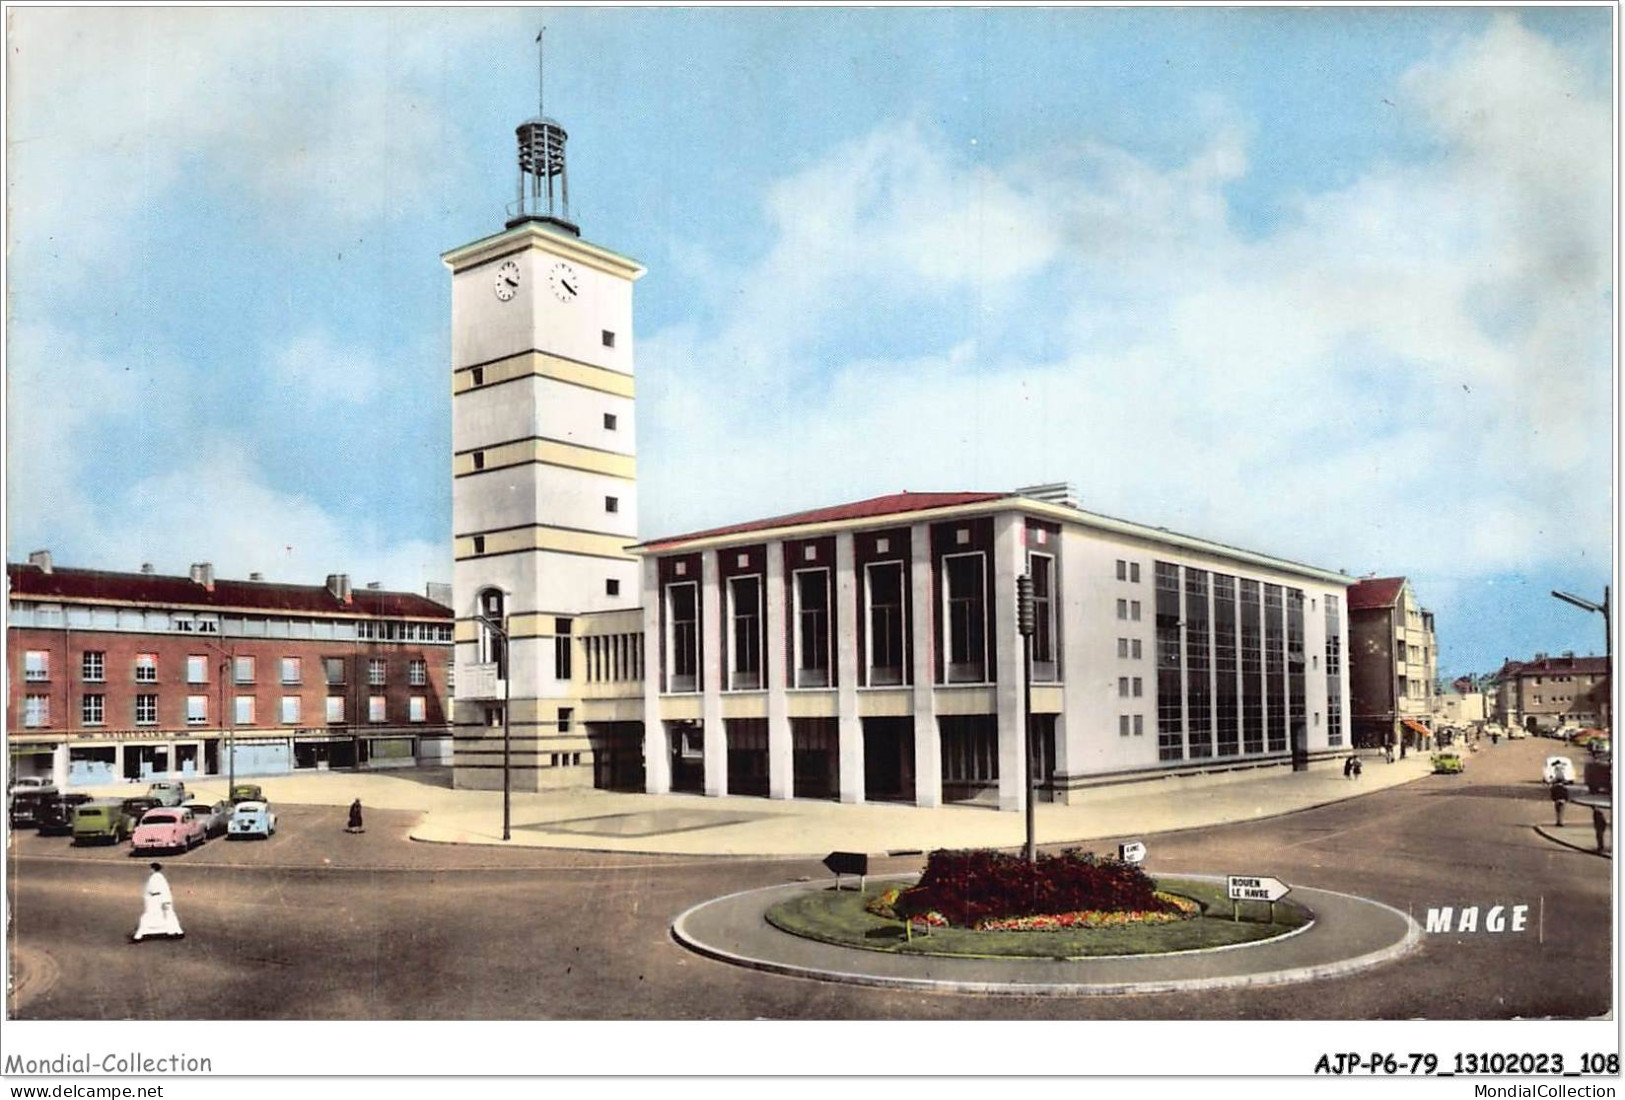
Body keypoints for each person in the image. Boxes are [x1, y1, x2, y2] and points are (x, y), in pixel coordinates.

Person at [131, 862, 183, 942]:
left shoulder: (158, 878)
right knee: (166, 916)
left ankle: (138, 936)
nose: (149, 870)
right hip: (154, 901)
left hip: (158, 900)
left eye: (150, 868)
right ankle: (175, 931)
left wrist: (166, 902)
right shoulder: (155, 877)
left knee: (150, 917)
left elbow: (164, 890)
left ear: (153, 869)